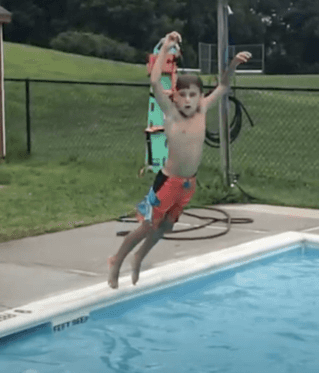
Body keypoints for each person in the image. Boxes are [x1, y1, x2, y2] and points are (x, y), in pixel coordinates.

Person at [107, 31, 251, 289]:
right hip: (168, 182)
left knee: (166, 229)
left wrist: (234, 64)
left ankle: (138, 257)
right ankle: (117, 260)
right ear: (174, 96)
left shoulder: (204, 108)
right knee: (147, 227)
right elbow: (154, 81)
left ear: (200, 96)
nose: (187, 100)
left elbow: (225, 85)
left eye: (193, 95)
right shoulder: (170, 113)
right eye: (182, 95)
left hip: (188, 184)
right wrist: (165, 46)